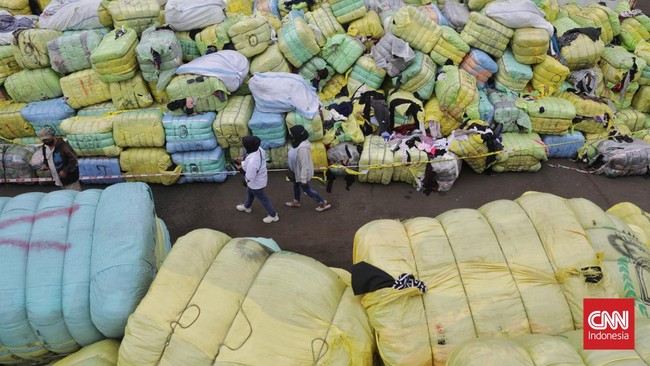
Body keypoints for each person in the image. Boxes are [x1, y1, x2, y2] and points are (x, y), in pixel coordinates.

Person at [286, 125, 331, 211]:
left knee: (307, 190)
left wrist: (303, 180)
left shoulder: (302, 149)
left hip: (301, 174)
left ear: (298, 135)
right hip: (295, 172)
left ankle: (322, 203)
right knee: (295, 186)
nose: (291, 135)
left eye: (292, 134)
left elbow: (304, 165)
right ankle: (296, 201)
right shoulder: (297, 142)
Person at [235, 135, 279, 223]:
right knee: (249, 192)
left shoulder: (253, 161)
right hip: (258, 179)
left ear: (248, 146)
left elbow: (250, 176)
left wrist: (240, 169)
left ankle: (273, 215)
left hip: (256, 183)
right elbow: (249, 160)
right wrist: (242, 160)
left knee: (263, 198)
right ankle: (247, 207)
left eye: (244, 144)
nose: (243, 145)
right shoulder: (259, 149)